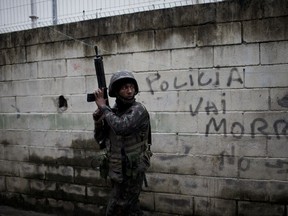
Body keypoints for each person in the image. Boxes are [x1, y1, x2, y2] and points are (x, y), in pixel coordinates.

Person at [92, 70, 152, 216]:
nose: (129, 90)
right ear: (116, 91)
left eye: (131, 87)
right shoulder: (113, 112)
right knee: (127, 207)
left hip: (133, 170)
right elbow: (100, 139)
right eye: (125, 87)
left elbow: (122, 127)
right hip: (117, 169)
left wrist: (104, 108)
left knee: (120, 207)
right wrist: (98, 121)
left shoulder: (139, 110)